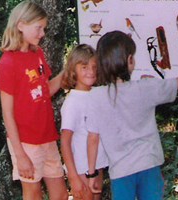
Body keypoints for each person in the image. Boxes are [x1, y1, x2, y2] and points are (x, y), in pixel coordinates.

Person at [85, 30, 178, 200]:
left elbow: (93, 138)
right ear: (129, 60)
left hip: (120, 171)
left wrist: (91, 174)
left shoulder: (95, 96)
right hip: (149, 164)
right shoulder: (146, 87)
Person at [0, 1, 68, 199]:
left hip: (47, 136)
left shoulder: (38, 54)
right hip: (25, 141)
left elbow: (45, 91)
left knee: (60, 194)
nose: (42, 34)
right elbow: (7, 113)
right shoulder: (8, 63)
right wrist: (20, 155)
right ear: (20, 25)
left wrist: (68, 71)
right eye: (38, 28)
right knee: (33, 193)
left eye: (43, 28)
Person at [60, 44, 108, 200]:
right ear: (74, 70)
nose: (91, 72)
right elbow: (65, 142)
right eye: (85, 67)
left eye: (94, 67)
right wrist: (73, 177)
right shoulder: (72, 102)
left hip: (97, 165)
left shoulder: (97, 94)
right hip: (80, 168)